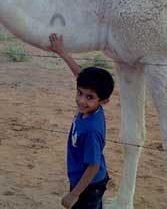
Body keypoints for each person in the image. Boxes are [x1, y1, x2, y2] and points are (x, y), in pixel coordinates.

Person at [48, 33, 114, 209]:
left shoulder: (91, 130)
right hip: (86, 179)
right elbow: (80, 75)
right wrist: (62, 52)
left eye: (89, 97)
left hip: (89, 185)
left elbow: (93, 166)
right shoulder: (95, 108)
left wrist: (74, 194)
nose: (81, 100)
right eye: (80, 93)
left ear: (103, 101)